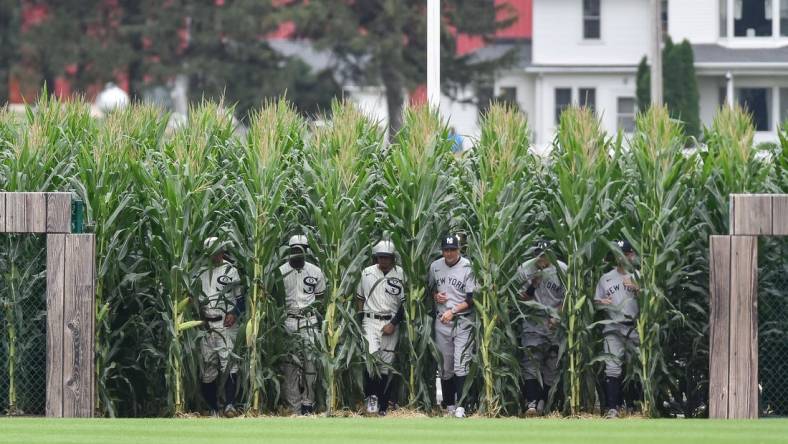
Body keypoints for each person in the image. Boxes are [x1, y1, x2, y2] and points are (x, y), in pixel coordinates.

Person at [516, 240, 567, 417]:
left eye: (545, 254)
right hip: (532, 323)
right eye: (538, 254)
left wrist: (557, 316)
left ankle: (544, 402)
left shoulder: (562, 269)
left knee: (552, 366)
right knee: (531, 363)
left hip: (554, 326)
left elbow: (567, 299)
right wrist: (533, 285)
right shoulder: (525, 269)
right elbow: (520, 299)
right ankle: (531, 402)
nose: (541, 258)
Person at [356, 240, 406, 416]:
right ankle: (371, 398)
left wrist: (393, 323)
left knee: (386, 364)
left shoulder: (400, 274)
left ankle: (384, 404)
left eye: (387, 257)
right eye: (380, 257)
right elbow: (360, 297)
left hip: (391, 322)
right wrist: (359, 319)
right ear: (376, 257)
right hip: (370, 321)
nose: (383, 260)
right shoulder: (367, 273)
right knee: (371, 360)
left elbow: (405, 304)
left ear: (392, 258)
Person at [429, 234, 477, 418]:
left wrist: (454, 311)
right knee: (445, 366)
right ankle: (449, 406)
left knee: (461, 363)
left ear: (459, 250)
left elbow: (471, 299)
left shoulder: (467, 266)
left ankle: (461, 406)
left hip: (462, 320)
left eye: (452, 249)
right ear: (442, 250)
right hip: (442, 321)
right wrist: (435, 296)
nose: (449, 253)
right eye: (446, 250)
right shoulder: (435, 266)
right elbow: (430, 289)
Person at [278, 234, 326, 415]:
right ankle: (294, 406)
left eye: (301, 251)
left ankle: (308, 403)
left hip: (309, 322)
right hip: (288, 321)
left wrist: (311, 311)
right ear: (289, 252)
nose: (297, 254)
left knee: (310, 364)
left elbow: (320, 297)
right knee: (289, 365)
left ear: (306, 252)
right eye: (294, 251)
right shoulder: (281, 271)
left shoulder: (315, 271)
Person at [198, 237, 244, 418]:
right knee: (208, 368)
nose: (217, 255)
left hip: (225, 324)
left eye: (220, 251)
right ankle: (213, 408)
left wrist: (235, 312)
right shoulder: (199, 271)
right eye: (213, 252)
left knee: (229, 364)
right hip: (206, 326)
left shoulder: (230, 270)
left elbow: (240, 300)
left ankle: (230, 405)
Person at [594, 240, 640, 419]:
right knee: (612, 368)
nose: (622, 257)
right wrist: (600, 302)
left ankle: (635, 408)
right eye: (618, 254)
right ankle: (612, 408)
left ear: (631, 255)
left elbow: (652, 303)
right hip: (613, 327)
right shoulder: (606, 278)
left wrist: (638, 289)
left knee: (636, 367)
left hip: (635, 328)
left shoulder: (639, 276)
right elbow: (596, 301)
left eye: (625, 254)